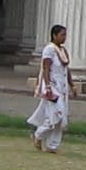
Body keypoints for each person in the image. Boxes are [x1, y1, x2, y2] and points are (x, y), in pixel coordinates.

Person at [29, 24, 71, 153]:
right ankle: (38, 135)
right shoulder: (49, 49)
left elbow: (66, 70)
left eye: (65, 35)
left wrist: (72, 84)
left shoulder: (63, 50)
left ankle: (52, 145)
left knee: (62, 117)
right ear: (54, 35)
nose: (64, 37)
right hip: (52, 86)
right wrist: (47, 86)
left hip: (62, 86)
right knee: (56, 115)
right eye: (62, 35)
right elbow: (46, 68)